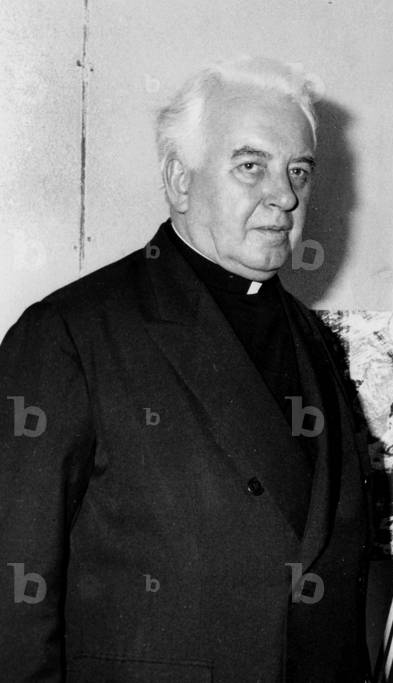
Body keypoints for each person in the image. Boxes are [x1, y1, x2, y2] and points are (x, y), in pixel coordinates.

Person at [0, 57, 372, 680]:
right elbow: (11, 597)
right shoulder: (69, 335)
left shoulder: (315, 341)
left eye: (298, 171)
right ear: (179, 180)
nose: (284, 196)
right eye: (250, 166)